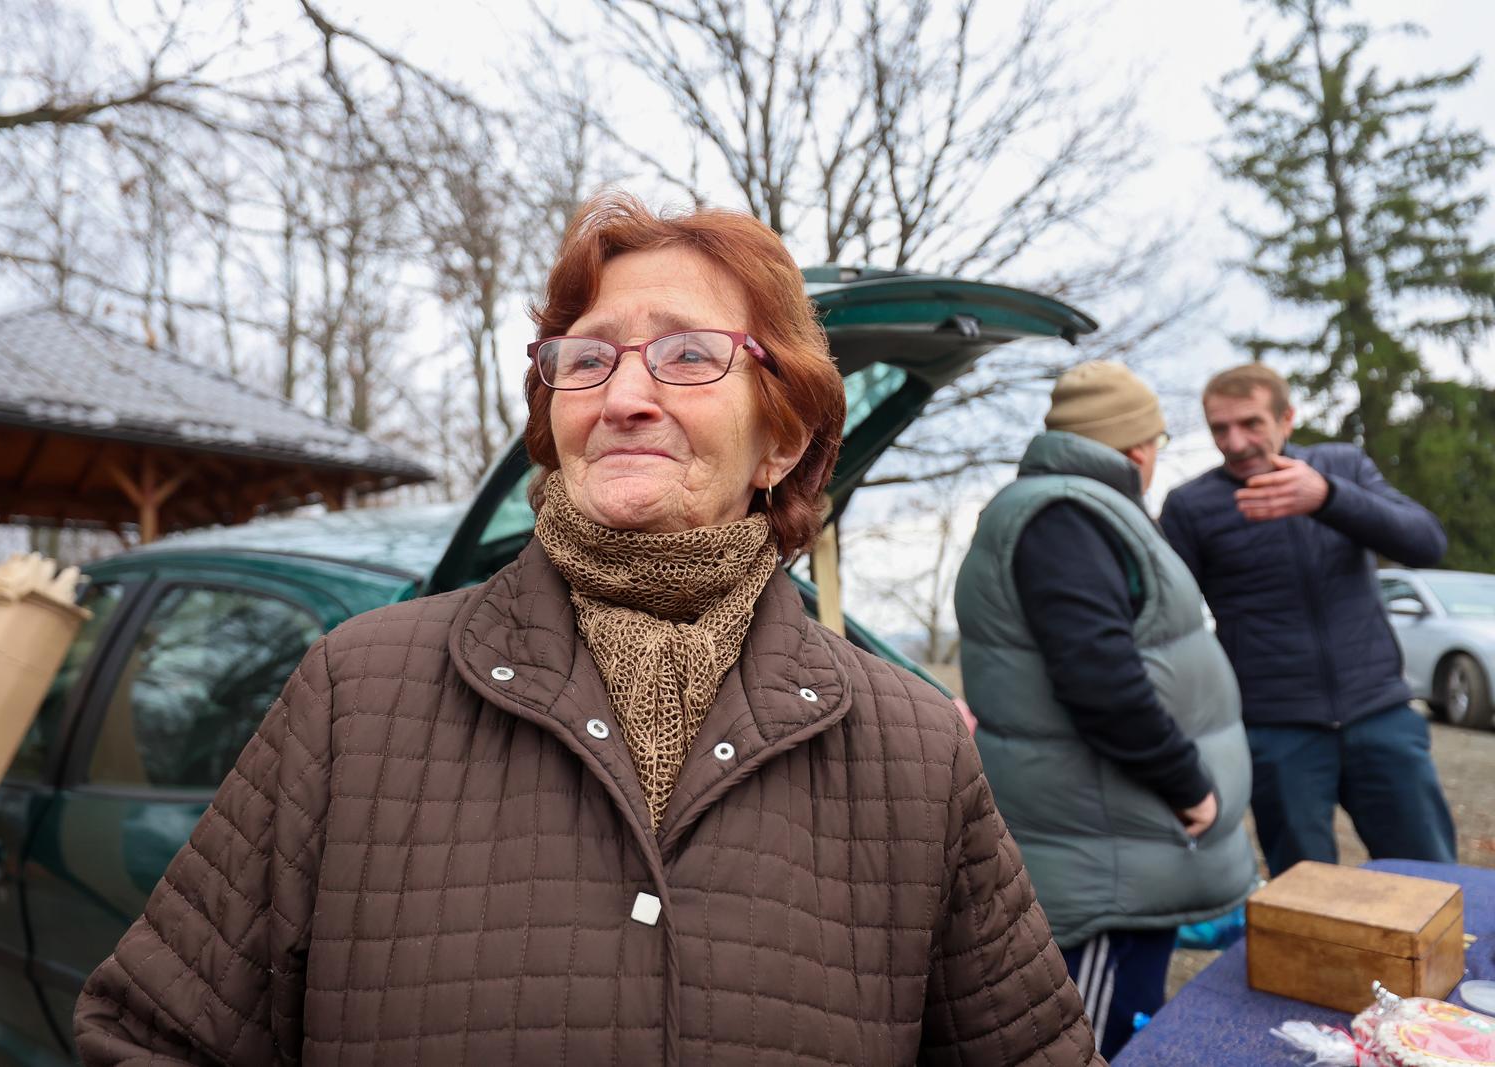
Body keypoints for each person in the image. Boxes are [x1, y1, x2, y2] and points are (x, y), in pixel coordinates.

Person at [74, 193, 1101, 1066]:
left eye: (688, 355)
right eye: (587, 358)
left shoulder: (913, 747)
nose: (624, 396)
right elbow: (149, 1032)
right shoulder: (357, 690)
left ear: (781, 438)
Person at [955, 361, 1258, 1060]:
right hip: (1104, 855)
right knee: (1084, 1040)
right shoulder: (1066, 515)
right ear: (1137, 449)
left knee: (1120, 1024)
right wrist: (1189, 787)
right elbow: (1100, 679)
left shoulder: (1070, 509)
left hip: (1117, 840)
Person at [1160, 363, 1456, 878]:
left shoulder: (1340, 466)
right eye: (1220, 428)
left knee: (1431, 880)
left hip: (1380, 715)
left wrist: (1328, 498)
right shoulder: (1191, 506)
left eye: (1251, 423)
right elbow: (1166, 621)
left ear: (1287, 418)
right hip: (1278, 732)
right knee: (1304, 896)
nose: (1235, 441)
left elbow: (1426, 542)